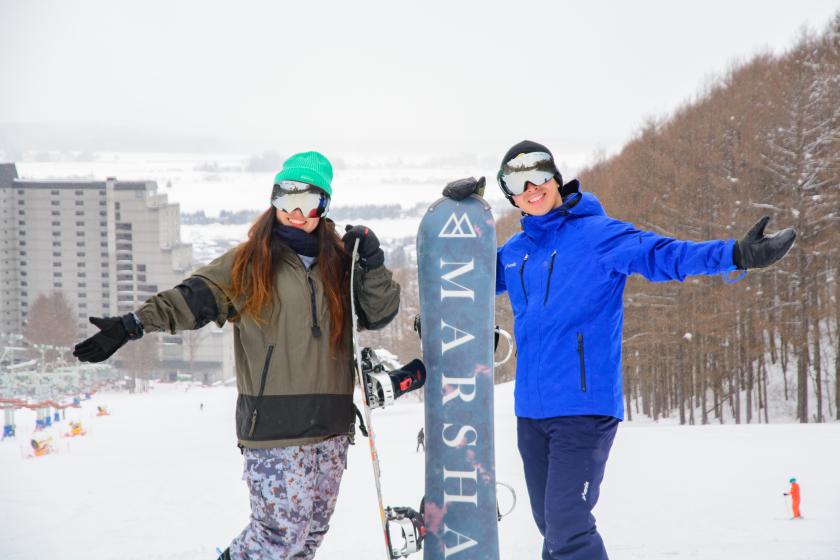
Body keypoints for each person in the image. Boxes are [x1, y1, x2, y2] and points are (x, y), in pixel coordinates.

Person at [443, 140, 796, 560]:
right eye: (517, 183)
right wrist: (458, 219)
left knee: (567, 525)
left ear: (555, 178)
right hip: (531, 414)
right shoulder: (515, 253)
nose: (531, 188)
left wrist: (736, 255)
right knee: (552, 527)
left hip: (583, 409)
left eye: (538, 175)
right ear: (510, 196)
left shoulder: (598, 235)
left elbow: (663, 255)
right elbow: (463, 280)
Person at [73, 151, 401, 560]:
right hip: (275, 426)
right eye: (285, 201)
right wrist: (132, 324)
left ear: (324, 207)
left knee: (308, 538)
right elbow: (190, 300)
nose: (295, 214)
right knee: (277, 537)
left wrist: (371, 264)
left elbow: (378, 312)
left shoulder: (340, 261)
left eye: (308, 203)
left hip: (331, 426)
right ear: (273, 202)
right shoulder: (250, 261)